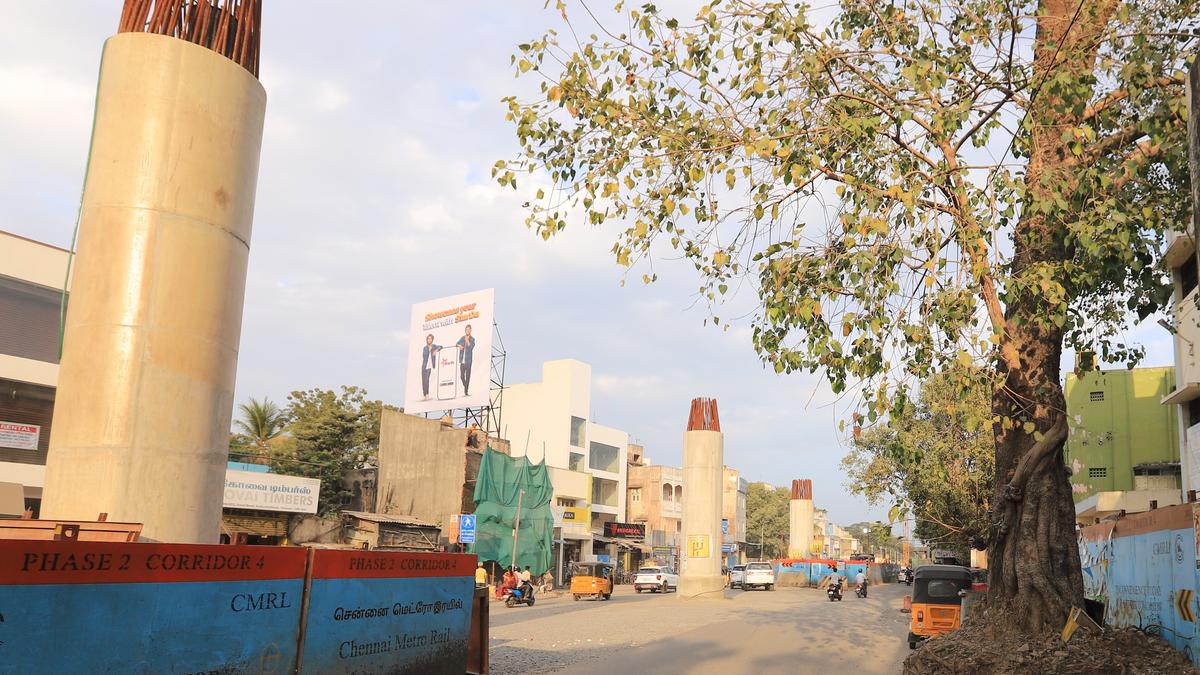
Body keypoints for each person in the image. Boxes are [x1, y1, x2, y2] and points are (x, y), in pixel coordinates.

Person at [420, 334, 442, 400]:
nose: (429, 340)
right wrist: (429, 350)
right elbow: (424, 355)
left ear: (432, 340)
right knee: (423, 381)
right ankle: (424, 395)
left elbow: (441, 346)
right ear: (427, 340)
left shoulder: (434, 346)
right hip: (424, 366)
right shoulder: (425, 348)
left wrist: (436, 350)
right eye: (428, 339)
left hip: (429, 367)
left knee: (426, 381)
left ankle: (427, 394)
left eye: (430, 339)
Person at [456, 324, 476, 396]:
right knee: (462, 376)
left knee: (467, 376)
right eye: (466, 329)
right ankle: (466, 387)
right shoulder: (462, 338)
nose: (467, 331)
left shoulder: (472, 339)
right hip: (462, 361)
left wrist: (467, 341)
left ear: (470, 330)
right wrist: (459, 345)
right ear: (465, 330)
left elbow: (471, 348)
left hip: (468, 361)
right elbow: (456, 343)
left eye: (469, 329)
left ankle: (466, 391)